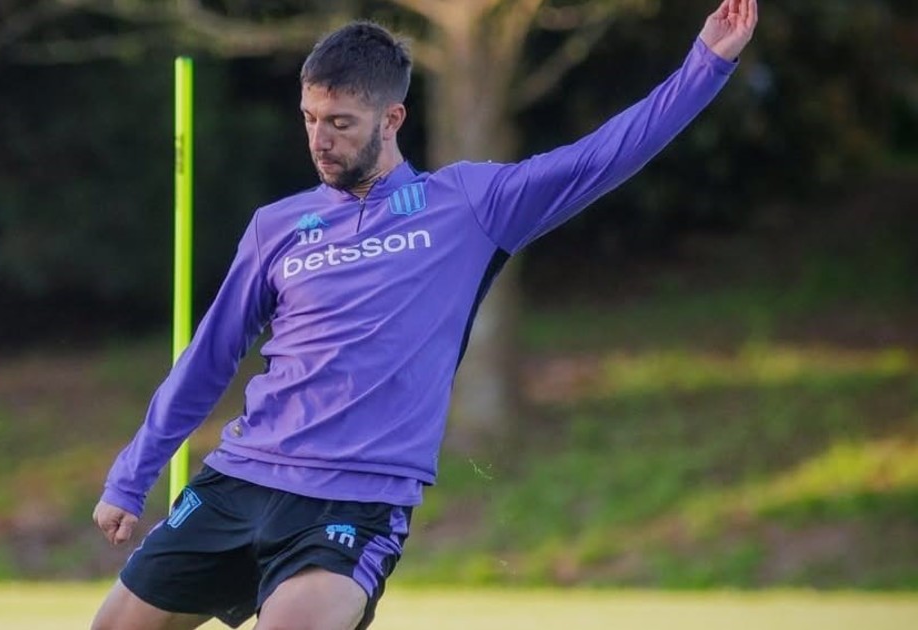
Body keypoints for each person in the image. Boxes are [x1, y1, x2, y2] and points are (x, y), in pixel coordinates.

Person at [91, 1, 757, 628]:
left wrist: (706, 64)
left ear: (392, 119)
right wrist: (132, 476)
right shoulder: (277, 226)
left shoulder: (467, 205)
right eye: (310, 118)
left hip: (355, 502)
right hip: (239, 481)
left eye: (340, 123)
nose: (320, 140)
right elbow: (209, 358)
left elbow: (601, 156)